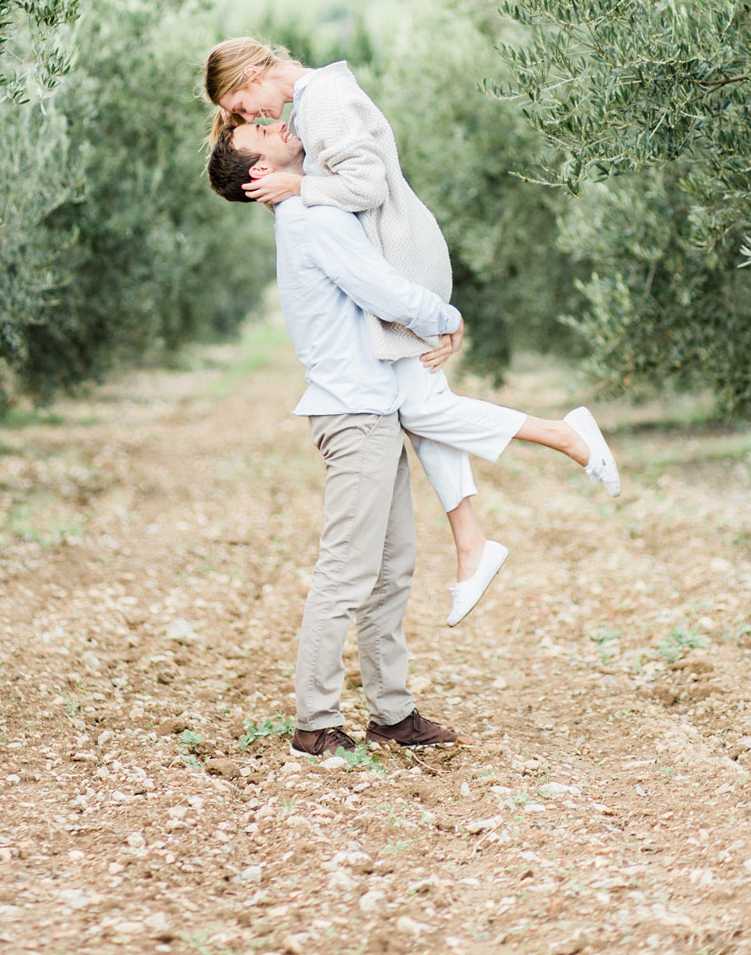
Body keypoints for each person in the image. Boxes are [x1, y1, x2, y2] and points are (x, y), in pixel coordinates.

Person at [205, 119, 618, 757]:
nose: (273, 124)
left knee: (391, 568)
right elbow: (378, 288)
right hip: (354, 415)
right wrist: (445, 316)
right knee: (346, 572)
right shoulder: (310, 220)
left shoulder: (313, 203)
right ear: (260, 173)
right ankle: (315, 725)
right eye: (258, 133)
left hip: (371, 409)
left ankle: (392, 714)